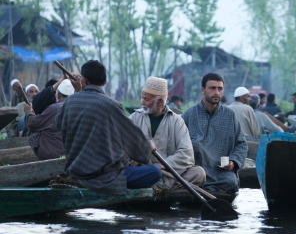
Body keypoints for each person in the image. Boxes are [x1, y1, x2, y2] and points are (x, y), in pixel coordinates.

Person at [55, 60, 162, 195]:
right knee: (155, 172)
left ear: (84, 80)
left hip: (76, 172)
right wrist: (149, 146)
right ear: (105, 82)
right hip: (105, 177)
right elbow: (134, 139)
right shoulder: (111, 105)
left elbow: (58, 123)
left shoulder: (69, 101)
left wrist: (78, 91)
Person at [129, 77, 205, 189]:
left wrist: (164, 164)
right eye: (142, 98)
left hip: (170, 175)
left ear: (160, 102)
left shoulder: (176, 121)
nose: (142, 102)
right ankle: (161, 188)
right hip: (144, 175)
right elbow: (121, 149)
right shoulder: (134, 118)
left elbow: (187, 154)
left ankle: (162, 189)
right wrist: (133, 161)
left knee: (199, 173)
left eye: (146, 99)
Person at [181, 73, 247, 194]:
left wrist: (233, 162)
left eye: (220, 89)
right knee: (192, 180)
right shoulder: (188, 115)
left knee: (231, 183)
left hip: (221, 172)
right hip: (197, 169)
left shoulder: (229, 115)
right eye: (212, 88)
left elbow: (241, 144)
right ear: (203, 90)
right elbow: (176, 142)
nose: (216, 92)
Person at [24, 79, 75, 160]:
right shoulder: (77, 106)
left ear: (57, 95)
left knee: (34, 138)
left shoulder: (55, 108)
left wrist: (28, 112)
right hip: (73, 151)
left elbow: (33, 124)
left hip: (55, 152)